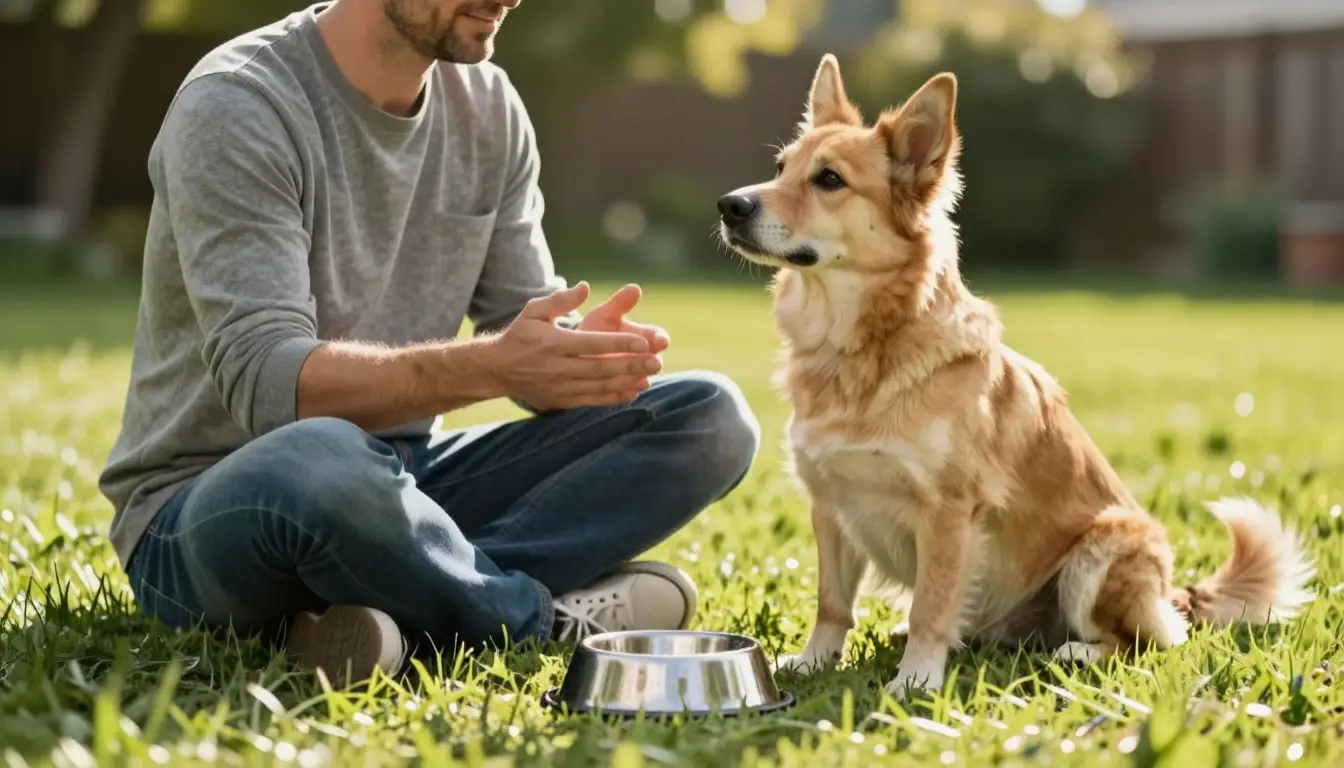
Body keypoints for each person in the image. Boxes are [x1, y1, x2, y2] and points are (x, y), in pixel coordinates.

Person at [98, 0, 760, 687]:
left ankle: (393, 608)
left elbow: (519, 328)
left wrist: (568, 356)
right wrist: (496, 363)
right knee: (324, 455)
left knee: (711, 418)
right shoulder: (239, 103)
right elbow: (272, 383)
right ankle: (531, 619)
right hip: (212, 508)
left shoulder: (488, 106)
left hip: (401, 484)